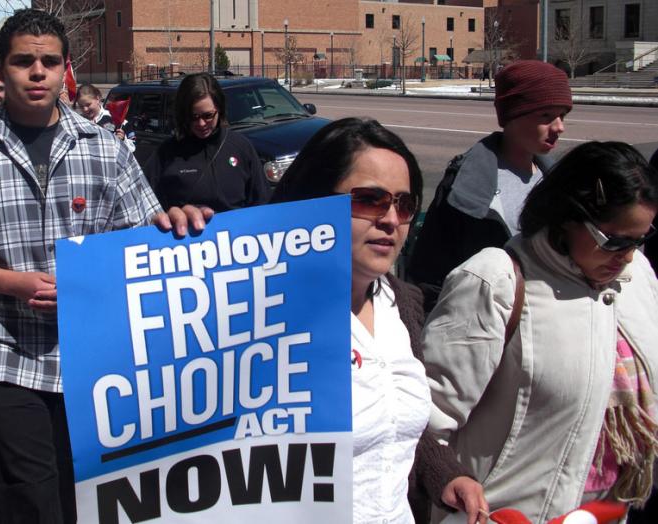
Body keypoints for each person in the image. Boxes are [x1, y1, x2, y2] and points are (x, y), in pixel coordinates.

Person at [0, 9, 209, 524]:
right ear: (1, 67)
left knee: (88, 495)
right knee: (27, 499)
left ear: (64, 67)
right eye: (24, 61)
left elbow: (143, 238)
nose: (37, 72)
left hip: (94, 359)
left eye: (49, 61)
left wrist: (178, 221)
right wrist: (12, 284)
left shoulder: (106, 150)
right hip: (1, 350)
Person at [422, 142, 658, 523]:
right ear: (566, 217)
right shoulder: (495, 281)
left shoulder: (637, 276)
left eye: (640, 239)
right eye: (613, 241)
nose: (627, 255)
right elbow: (429, 423)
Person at [271, 117, 487, 524]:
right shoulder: (262, 309)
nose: (390, 219)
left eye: (404, 204)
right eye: (370, 199)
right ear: (315, 201)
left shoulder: (402, 304)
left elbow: (390, 422)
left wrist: (444, 474)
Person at [406, 60, 573, 312]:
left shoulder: (560, 181)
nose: (559, 126)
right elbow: (430, 273)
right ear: (511, 116)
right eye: (546, 116)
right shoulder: (465, 183)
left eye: (562, 115)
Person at [144, 72, 270, 212]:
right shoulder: (166, 153)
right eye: (193, 117)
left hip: (237, 233)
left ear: (219, 109)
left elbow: (262, 203)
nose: (201, 123)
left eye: (208, 116)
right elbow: (144, 207)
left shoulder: (241, 147)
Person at [74, 83, 135, 152]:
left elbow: (132, 149)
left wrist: (123, 140)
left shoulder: (117, 119)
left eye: (88, 104)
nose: (85, 109)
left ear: (97, 99)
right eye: (81, 106)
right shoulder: (77, 122)